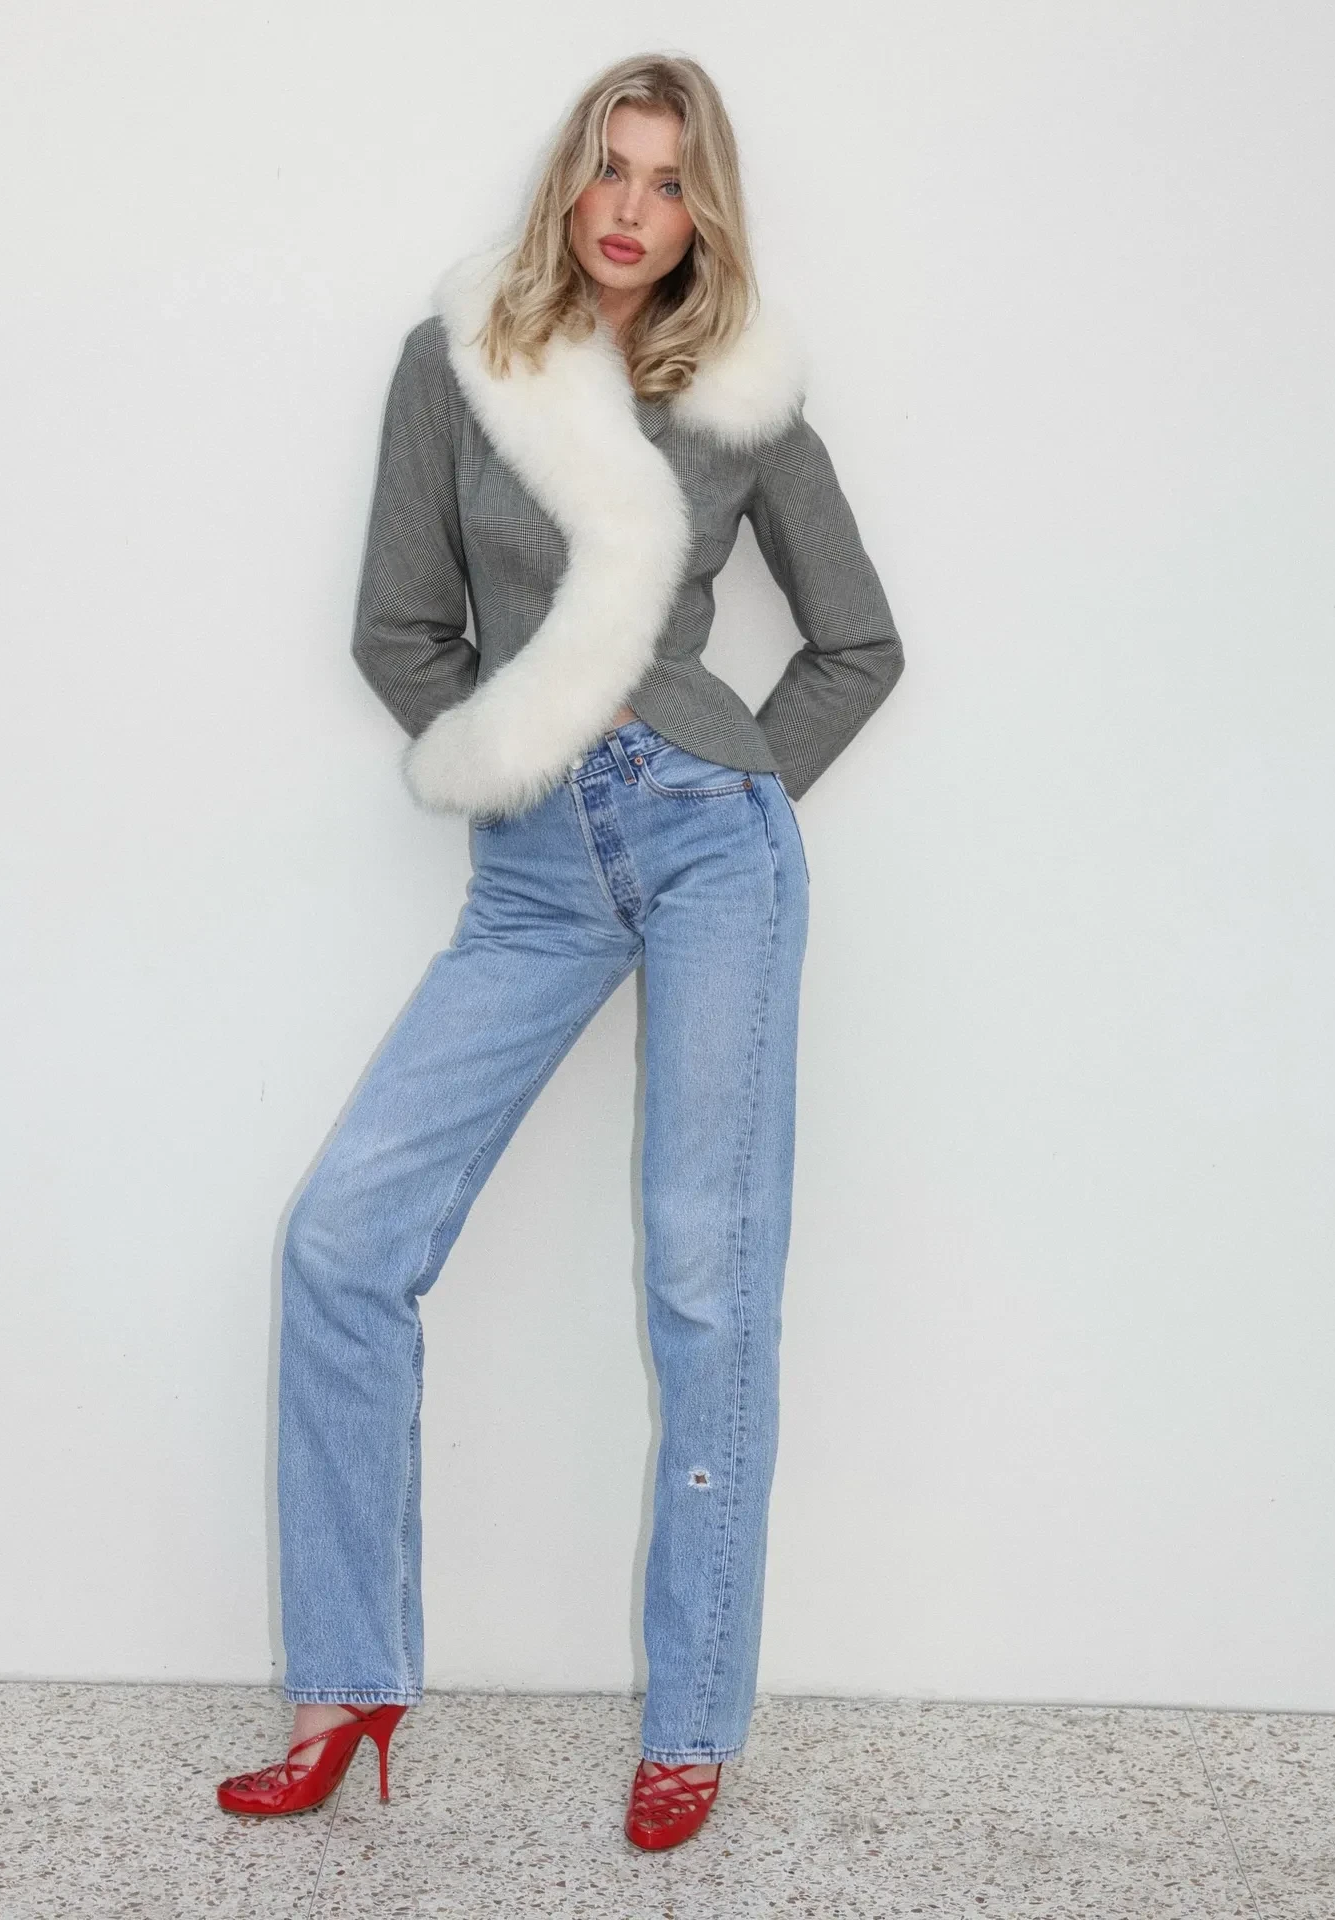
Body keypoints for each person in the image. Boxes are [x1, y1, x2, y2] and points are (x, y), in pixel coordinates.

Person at [216, 51, 903, 1851]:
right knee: (343, 1241)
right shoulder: (456, 363)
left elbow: (859, 645)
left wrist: (731, 778)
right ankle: (347, 1681)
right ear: (568, 180)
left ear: (702, 213)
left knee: (705, 1284)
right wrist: (515, 752)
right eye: (611, 166)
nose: (630, 207)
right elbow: (399, 629)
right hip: (534, 872)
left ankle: (691, 1720)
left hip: (714, 854)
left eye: (669, 182)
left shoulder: (741, 394)